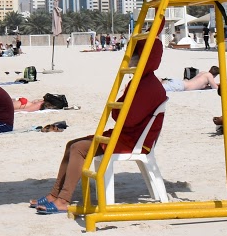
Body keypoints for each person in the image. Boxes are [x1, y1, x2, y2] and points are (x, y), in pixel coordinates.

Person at [31, 38, 167, 215]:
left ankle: (64, 199)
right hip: (125, 135)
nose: (129, 59)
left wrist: (119, 111)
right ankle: (54, 195)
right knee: (71, 144)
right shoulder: (142, 81)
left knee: (79, 149)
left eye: (134, 55)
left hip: (131, 141)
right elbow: (121, 113)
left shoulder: (148, 86)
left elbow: (126, 118)